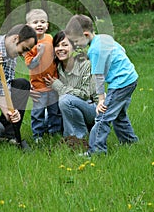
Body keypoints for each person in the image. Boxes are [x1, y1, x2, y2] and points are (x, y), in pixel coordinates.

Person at [65, 14, 139, 155]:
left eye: (75, 41)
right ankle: (129, 141)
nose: (75, 45)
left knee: (102, 117)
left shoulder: (95, 50)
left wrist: (101, 99)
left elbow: (98, 77)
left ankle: (97, 150)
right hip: (131, 78)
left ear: (85, 35)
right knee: (118, 114)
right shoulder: (104, 38)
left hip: (121, 83)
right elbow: (122, 49)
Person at [44, 31, 97, 149]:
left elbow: (85, 94)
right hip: (70, 108)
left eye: (65, 45)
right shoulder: (56, 67)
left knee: (65, 100)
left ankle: (76, 139)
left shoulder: (85, 65)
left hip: (92, 108)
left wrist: (60, 87)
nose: (60, 48)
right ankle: (71, 128)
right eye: (57, 46)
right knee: (45, 117)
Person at [25, 9, 62, 142]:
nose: (39, 25)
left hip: (52, 83)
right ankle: (38, 135)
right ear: (28, 26)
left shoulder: (50, 39)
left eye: (42, 22)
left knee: (54, 111)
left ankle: (55, 132)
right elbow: (30, 65)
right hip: (38, 86)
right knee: (37, 113)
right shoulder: (29, 44)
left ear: (47, 25)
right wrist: (39, 54)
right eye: (35, 22)